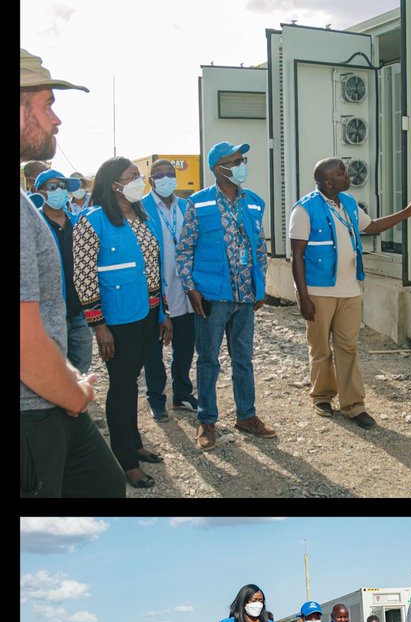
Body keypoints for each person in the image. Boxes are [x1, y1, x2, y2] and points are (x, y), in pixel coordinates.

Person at [20, 48, 124, 498]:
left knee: (103, 484)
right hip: (33, 413)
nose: (56, 120)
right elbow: (23, 342)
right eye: (47, 104)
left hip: (46, 400)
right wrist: (74, 393)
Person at [289, 158, 411, 428]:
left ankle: (353, 405)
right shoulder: (303, 210)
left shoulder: (348, 203)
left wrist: (404, 214)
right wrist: (303, 297)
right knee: (321, 348)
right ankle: (322, 396)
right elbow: (297, 256)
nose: (348, 176)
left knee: (348, 347)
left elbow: (370, 227)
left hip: (349, 291)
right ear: (328, 182)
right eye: (341, 173)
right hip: (318, 292)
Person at [71, 156, 171, 489]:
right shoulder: (93, 221)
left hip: (146, 314)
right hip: (117, 320)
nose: (138, 181)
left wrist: (162, 313)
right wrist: (98, 325)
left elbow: (154, 269)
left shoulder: (143, 216)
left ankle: (134, 442)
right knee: (123, 385)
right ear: (114, 183)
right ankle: (125, 461)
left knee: (132, 382)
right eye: (132, 177)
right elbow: (84, 277)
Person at [176, 141, 274, 450]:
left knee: (243, 359)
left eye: (243, 159)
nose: (242, 164)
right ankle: (207, 421)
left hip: (245, 296)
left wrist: (261, 286)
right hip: (212, 297)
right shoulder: (198, 203)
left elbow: (260, 248)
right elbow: (184, 249)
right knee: (208, 361)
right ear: (220, 168)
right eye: (236, 160)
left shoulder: (255, 202)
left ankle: (247, 415)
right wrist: (191, 289)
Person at [141, 159, 199, 419]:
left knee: (185, 345)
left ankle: (182, 394)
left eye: (170, 174)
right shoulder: (140, 208)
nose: (165, 179)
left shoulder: (187, 206)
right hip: (154, 289)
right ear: (150, 180)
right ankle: (156, 398)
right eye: (159, 175)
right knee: (153, 348)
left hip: (185, 288)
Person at [32, 169, 91, 374]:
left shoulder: (79, 224)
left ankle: (77, 404)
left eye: (63, 187)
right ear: (39, 191)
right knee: (54, 368)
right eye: (53, 187)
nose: (59, 191)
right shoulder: (34, 225)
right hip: (49, 313)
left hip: (79, 311)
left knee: (82, 366)